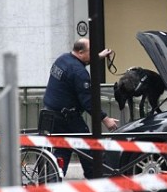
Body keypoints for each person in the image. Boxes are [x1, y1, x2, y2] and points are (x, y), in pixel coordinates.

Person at [41, 38, 118, 178]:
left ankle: (49, 188)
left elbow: (76, 66)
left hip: (50, 114)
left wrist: (99, 57)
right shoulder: (79, 72)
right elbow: (88, 102)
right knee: (88, 148)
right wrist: (105, 119)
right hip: (67, 118)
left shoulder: (62, 59)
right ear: (81, 52)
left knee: (61, 151)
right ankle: (98, 185)